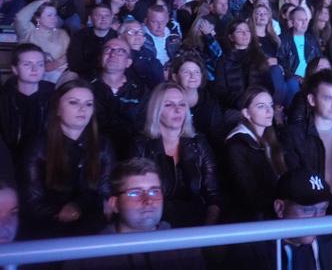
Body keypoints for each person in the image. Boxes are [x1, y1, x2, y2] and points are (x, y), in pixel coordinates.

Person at [63, 158, 206, 270]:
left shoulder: (186, 248)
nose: (148, 200)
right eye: (135, 193)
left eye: (154, 191)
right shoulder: (86, 256)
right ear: (114, 204)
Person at [21, 79, 114, 238]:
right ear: (57, 108)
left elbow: (106, 194)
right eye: (73, 103)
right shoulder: (36, 146)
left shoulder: (103, 145)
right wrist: (61, 212)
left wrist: (79, 206)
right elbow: (31, 203)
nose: (82, 109)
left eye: (88, 104)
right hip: (49, 231)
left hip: (93, 230)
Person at [130, 82, 220, 227]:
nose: (177, 110)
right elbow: (137, 197)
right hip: (155, 223)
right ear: (156, 110)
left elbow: (213, 194)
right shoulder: (141, 145)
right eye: (168, 105)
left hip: (197, 222)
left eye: (182, 104)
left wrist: (208, 227)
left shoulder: (199, 142)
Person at [225, 169, 332, 270]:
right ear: (280, 208)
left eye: (323, 209)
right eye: (308, 210)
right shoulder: (251, 249)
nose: (317, 218)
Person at [280, 69, 332, 209]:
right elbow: (295, 185)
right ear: (311, 100)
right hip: (313, 207)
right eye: (328, 98)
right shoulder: (294, 136)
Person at [224, 86, 287, 221]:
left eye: (270, 105)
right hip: (254, 218)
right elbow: (248, 194)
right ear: (246, 113)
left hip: (275, 209)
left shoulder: (270, 137)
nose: (269, 111)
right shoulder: (236, 144)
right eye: (261, 106)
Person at [91, 38, 147, 159]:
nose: (112, 54)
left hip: (131, 157)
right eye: (108, 49)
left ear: (128, 62)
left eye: (120, 51)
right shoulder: (85, 88)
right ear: (100, 57)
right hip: (93, 155)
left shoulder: (141, 91)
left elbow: (144, 130)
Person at [0, 44, 54, 161]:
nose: (35, 69)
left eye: (40, 64)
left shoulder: (55, 96)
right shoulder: (4, 100)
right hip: (11, 161)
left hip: (47, 161)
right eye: (27, 64)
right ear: (15, 69)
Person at [169, 53, 228, 152]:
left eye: (196, 72)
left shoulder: (211, 102)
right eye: (186, 72)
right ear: (175, 77)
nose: (192, 76)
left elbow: (217, 136)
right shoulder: (167, 102)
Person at [14, 0, 70, 83]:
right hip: (32, 75)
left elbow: (71, 53)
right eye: (49, 15)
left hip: (59, 75)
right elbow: (20, 18)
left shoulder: (62, 33)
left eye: (55, 15)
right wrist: (40, 2)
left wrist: (57, 63)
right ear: (38, 18)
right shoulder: (28, 32)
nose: (54, 18)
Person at [67, 3, 118, 79]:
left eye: (107, 15)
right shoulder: (80, 35)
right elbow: (75, 63)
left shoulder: (118, 37)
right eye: (98, 15)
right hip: (85, 76)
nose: (103, 18)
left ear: (112, 18)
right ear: (91, 18)